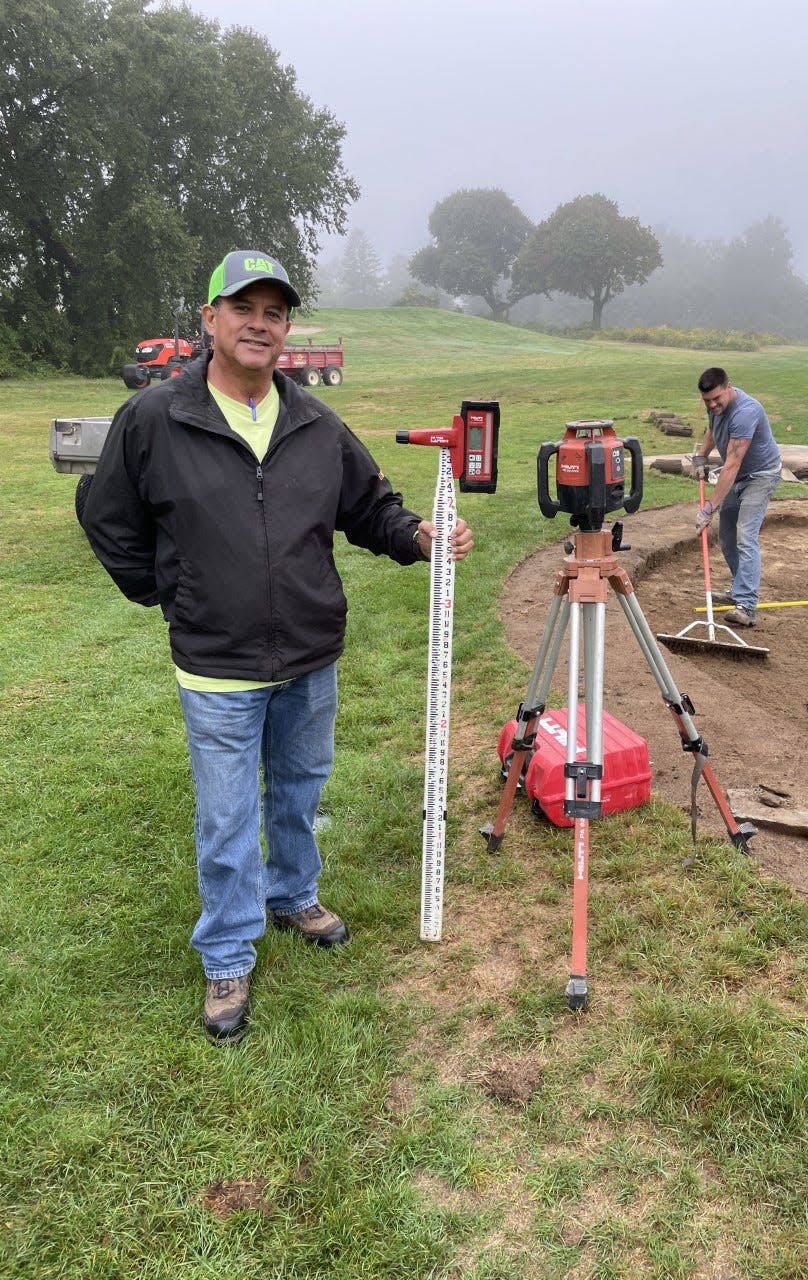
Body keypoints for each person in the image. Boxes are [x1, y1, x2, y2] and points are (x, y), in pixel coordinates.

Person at [82, 249, 474, 1044]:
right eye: (244, 309)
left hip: (308, 654)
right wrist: (169, 589)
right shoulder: (155, 417)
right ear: (211, 320)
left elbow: (370, 509)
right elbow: (106, 516)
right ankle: (227, 953)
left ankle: (294, 894)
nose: (260, 325)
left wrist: (418, 536)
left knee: (299, 788)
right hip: (217, 663)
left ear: (286, 328)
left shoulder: (313, 421)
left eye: (275, 312)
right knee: (227, 816)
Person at [692, 367, 782, 627]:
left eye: (716, 399)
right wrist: (702, 455)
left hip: (760, 475)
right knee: (728, 536)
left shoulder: (746, 412)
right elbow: (712, 428)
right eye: (706, 401)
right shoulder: (715, 406)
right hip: (738, 476)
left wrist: (709, 507)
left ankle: (746, 604)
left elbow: (731, 464)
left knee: (745, 534)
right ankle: (738, 589)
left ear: (729, 387)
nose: (712, 405)